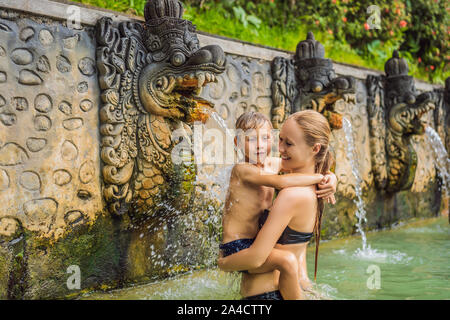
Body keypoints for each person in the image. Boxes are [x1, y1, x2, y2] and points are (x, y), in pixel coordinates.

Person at [218, 110, 335, 300]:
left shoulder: (272, 166)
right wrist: (321, 177)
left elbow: (316, 160)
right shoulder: (242, 170)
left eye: (265, 138)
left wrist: (331, 176)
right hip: (237, 245)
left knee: (287, 262)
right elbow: (281, 182)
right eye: (251, 140)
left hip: (256, 255)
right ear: (238, 143)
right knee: (286, 261)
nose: (260, 146)